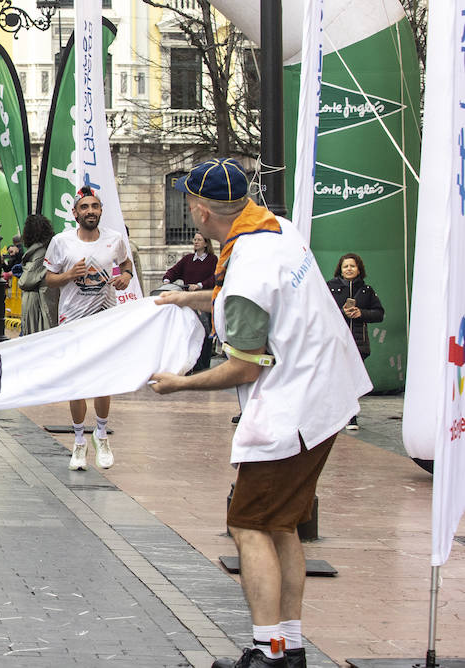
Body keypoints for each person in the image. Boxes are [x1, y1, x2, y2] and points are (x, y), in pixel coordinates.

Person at [150, 159, 370, 668]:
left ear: (200, 211)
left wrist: (178, 384)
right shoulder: (276, 230)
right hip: (327, 396)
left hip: (292, 410)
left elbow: (243, 367)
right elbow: (248, 296)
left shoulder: (247, 267)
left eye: (190, 202)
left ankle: (269, 652)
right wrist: (189, 300)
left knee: (249, 525)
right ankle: (289, 646)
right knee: (282, 525)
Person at [43, 187, 134, 471]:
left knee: (103, 380)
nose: (90, 211)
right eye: (85, 207)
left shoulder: (114, 240)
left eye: (95, 207)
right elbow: (49, 279)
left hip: (104, 318)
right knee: (77, 383)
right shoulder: (61, 242)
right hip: (72, 320)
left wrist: (125, 278)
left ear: (101, 211)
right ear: (76, 213)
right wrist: (68, 275)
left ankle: (102, 434)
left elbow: (126, 264)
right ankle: (79, 441)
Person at [326, 252, 383, 431]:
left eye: (352, 266)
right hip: (336, 341)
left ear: (359, 269)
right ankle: (334, 415)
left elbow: (379, 314)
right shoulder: (329, 287)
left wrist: (361, 313)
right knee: (336, 378)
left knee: (351, 379)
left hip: (358, 343)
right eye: (345, 266)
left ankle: (351, 416)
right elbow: (321, 310)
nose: (349, 269)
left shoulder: (367, 290)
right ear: (340, 270)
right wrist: (340, 313)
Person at [165, 233, 220, 372]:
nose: (196, 242)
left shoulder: (213, 260)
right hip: (189, 301)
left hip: (204, 301)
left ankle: (203, 365)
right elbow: (174, 271)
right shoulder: (188, 259)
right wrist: (167, 279)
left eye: (199, 240)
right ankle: (189, 364)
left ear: (206, 243)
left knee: (205, 331)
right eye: (194, 239)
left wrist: (200, 285)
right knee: (188, 331)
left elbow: (215, 278)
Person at [17, 214, 59, 336]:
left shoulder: (39, 253)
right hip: (45, 299)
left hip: (38, 304)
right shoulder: (48, 248)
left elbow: (25, 281)